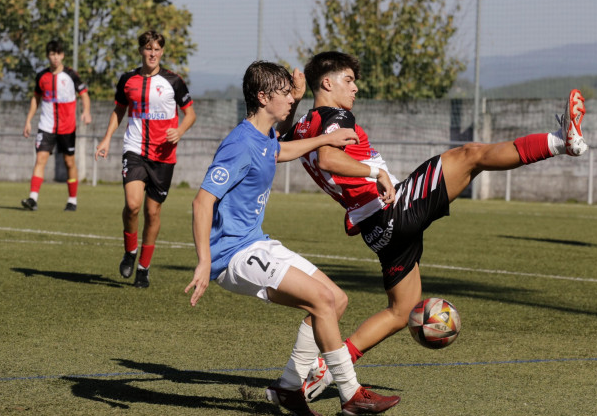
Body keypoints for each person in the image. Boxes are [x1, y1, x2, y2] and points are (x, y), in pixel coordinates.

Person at [276, 51, 588, 399]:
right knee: (470, 155)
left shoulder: (304, 126)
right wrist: (374, 172)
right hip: (391, 210)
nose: (355, 88)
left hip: (376, 231)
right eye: (348, 80)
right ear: (327, 82)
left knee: (401, 311)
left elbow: (283, 143)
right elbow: (329, 157)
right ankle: (562, 141)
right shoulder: (336, 116)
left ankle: (327, 368)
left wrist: (297, 100)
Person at [185, 61, 401, 416]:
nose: (291, 98)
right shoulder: (239, 144)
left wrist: (326, 138)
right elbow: (202, 201)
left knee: (336, 300)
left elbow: (280, 150)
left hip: (256, 242)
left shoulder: (264, 136)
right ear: (262, 96)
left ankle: (288, 388)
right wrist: (205, 261)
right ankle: (352, 394)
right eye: (284, 93)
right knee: (320, 300)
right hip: (232, 256)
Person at [95, 30, 196, 288]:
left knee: (153, 212)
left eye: (157, 49)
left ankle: (143, 267)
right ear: (141, 50)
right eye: (148, 48)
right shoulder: (127, 79)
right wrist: (106, 138)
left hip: (164, 155)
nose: (152, 53)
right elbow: (119, 110)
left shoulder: (173, 81)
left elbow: (191, 115)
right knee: (132, 205)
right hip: (135, 149)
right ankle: (130, 252)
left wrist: (180, 131)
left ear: (162, 52)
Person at [22, 39, 91, 211]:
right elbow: (35, 98)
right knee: (40, 159)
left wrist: (86, 111)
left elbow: (84, 94)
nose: (55, 58)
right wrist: (29, 120)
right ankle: (33, 199)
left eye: (58, 54)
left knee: (69, 162)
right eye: (52, 54)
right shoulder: (41, 76)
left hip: (67, 127)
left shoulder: (71, 75)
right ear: (48, 56)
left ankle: (72, 200)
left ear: (62, 55)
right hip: (46, 126)